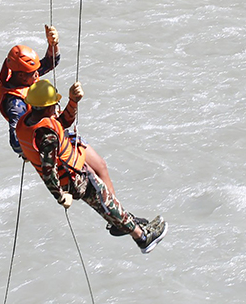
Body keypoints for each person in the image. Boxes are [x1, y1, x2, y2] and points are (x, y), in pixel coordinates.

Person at [16, 79, 167, 253]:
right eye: (54, 104)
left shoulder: (29, 121)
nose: (56, 107)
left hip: (73, 174)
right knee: (107, 203)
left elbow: (61, 123)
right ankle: (142, 238)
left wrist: (73, 101)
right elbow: (48, 170)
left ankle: (126, 225)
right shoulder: (46, 136)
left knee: (106, 204)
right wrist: (60, 196)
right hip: (75, 179)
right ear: (46, 107)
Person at [0, 26, 118, 198]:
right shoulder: (15, 103)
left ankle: (122, 219)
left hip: (57, 130)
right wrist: (39, 149)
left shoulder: (25, 76)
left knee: (101, 166)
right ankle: (119, 221)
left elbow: (51, 62)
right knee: (91, 177)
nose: (37, 74)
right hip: (51, 143)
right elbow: (16, 142)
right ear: (22, 76)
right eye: (33, 73)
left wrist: (53, 44)